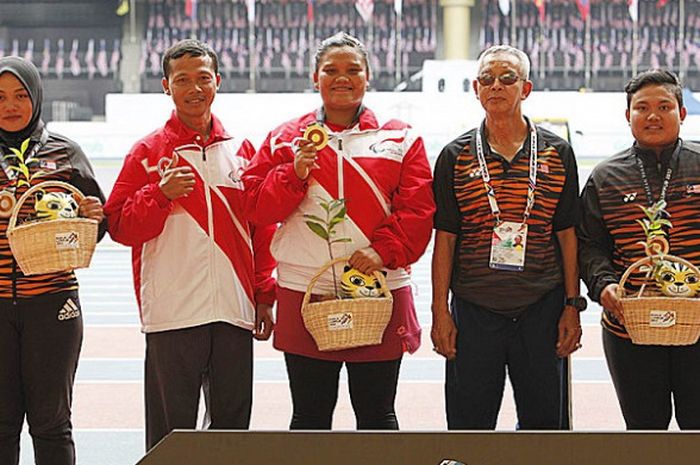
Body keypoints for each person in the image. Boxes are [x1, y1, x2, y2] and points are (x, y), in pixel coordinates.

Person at [242, 32, 435, 430]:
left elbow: (418, 210)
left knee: (378, 416)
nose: (341, 78)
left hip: (379, 290)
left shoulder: (400, 137)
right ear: (315, 78)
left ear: (368, 77)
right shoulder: (284, 138)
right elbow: (255, 207)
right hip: (304, 292)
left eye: (353, 70)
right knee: (309, 418)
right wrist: (293, 173)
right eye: (331, 70)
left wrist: (383, 251)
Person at [103, 39, 276, 450]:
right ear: (166, 86)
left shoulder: (243, 152)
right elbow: (120, 226)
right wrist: (159, 195)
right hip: (172, 313)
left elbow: (261, 229)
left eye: (203, 78)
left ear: (217, 81)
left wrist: (264, 295)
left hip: (234, 310)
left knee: (232, 432)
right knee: (170, 436)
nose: (194, 88)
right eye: (183, 80)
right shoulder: (147, 153)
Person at [431, 45, 584, 430]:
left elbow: (567, 234)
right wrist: (440, 311)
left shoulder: (557, 152)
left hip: (542, 309)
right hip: (474, 310)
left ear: (526, 88)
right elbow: (446, 239)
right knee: (468, 427)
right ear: (476, 88)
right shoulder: (455, 155)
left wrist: (571, 306)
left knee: (545, 428)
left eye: (507, 78)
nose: (496, 86)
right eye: (487, 79)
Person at [578, 69, 700, 429]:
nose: (652, 116)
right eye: (641, 107)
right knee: (644, 435)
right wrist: (604, 286)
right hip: (629, 330)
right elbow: (590, 245)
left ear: (682, 112)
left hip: (699, 325)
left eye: (664, 106)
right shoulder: (605, 176)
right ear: (627, 115)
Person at [0, 56, 106, 465]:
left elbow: (95, 225)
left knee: (52, 424)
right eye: (1, 97)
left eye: (21, 95)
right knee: (2, 425)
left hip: (53, 306)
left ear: (37, 97)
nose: (11, 106)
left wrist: (96, 216)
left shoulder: (66, 152)